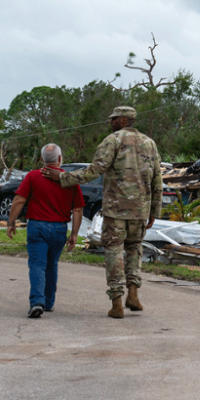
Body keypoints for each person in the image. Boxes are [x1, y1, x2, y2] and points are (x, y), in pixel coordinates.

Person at [41, 106, 162, 319]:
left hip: (116, 210)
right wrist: (154, 210)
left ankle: (117, 303)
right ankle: (133, 294)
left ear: (124, 120)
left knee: (114, 250)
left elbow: (94, 170)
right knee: (134, 248)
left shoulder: (112, 141)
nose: (110, 122)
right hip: (140, 210)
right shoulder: (150, 144)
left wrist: (62, 178)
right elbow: (157, 180)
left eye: (113, 119)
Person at [8, 144, 84, 318]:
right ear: (60, 159)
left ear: (42, 159)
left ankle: (37, 302)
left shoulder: (33, 176)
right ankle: (48, 302)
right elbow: (78, 209)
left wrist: (11, 222)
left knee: (37, 265)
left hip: (37, 226)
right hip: (59, 228)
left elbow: (19, 200)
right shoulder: (69, 180)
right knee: (51, 265)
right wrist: (74, 233)